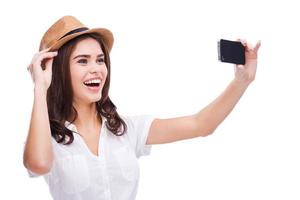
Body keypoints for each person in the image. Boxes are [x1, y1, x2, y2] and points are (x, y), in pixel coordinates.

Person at [23, 15, 261, 200]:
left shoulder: (125, 130)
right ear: (57, 70)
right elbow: (39, 163)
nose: (96, 68)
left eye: (100, 59)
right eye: (82, 60)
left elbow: (201, 124)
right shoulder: (46, 136)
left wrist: (243, 81)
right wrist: (40, 87)